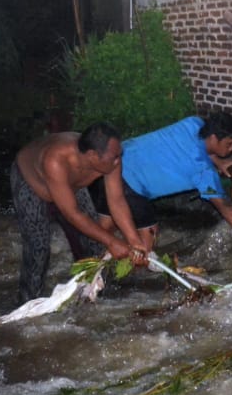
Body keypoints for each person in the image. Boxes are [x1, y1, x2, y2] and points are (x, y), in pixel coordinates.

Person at [11, 123, 148, 304]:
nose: (118, 160)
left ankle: (92, 295)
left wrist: (134, 240)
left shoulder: (110, 156)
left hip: (72, 187)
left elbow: (116, 200)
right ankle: (27, 303)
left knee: (95, 245)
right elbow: (72, 214)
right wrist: (112, 241)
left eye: (119, 155)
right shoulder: (55, 160)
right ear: (92, 155)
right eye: (114, 157)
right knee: (39, 248)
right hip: (32, 184)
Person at [87, 112, 232, 252]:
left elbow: (201, 149)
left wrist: (219, 161)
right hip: (132, 188)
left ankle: (94, 261)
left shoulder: (193, 124)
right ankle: (129, 277)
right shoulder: (203, 174)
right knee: (147, 243)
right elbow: (225, 208)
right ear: (214, 138)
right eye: (229, 144)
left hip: (111, 164)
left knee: (106, 228)